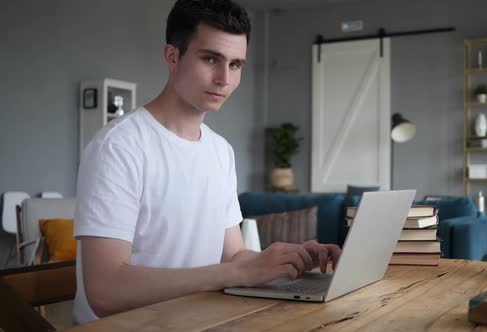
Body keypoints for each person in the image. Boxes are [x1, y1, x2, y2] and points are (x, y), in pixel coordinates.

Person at [73, 0, 340, 324]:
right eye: (211, 58)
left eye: (236, 64)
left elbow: (233, 256)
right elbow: (104, 291)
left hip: (199, 321)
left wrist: (287, 261)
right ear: (172, 56)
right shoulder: (118, 147)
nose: (223, 79)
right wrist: (234, 271)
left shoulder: (220, 151)